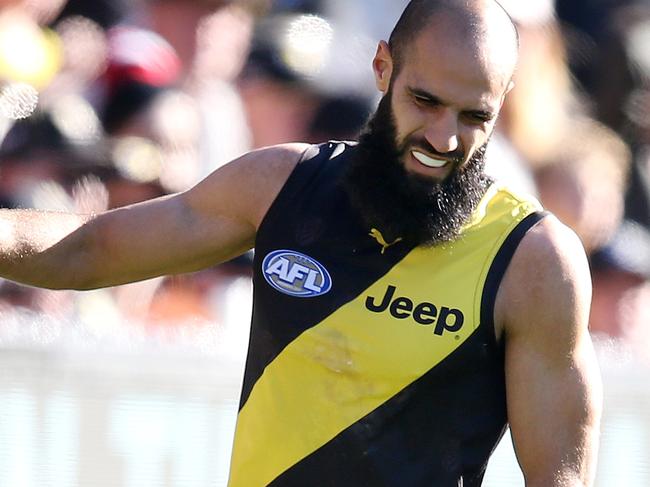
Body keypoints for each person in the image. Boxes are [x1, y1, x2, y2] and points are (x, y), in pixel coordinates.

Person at [0, 0, 602, 486]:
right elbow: (87, 249)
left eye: (475, 115)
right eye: (426, 102)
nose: (444, 138)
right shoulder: (281, 185)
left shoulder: (535, 261)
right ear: (382, 67)